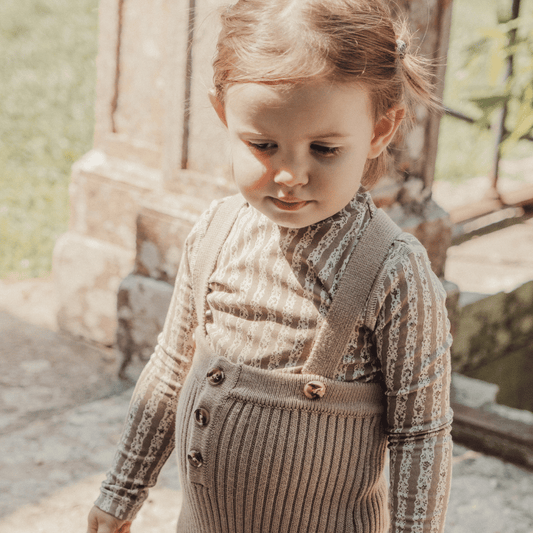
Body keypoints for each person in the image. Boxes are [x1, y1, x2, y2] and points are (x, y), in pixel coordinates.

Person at [87, 0, 453, 531]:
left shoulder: (392, 273)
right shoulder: (214, 234)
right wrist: (122, 490)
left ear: (380, 130)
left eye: (324, 149)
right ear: (224, 116)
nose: (289, 175)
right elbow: (169, 370)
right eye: (263, 145)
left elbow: (421, 433)